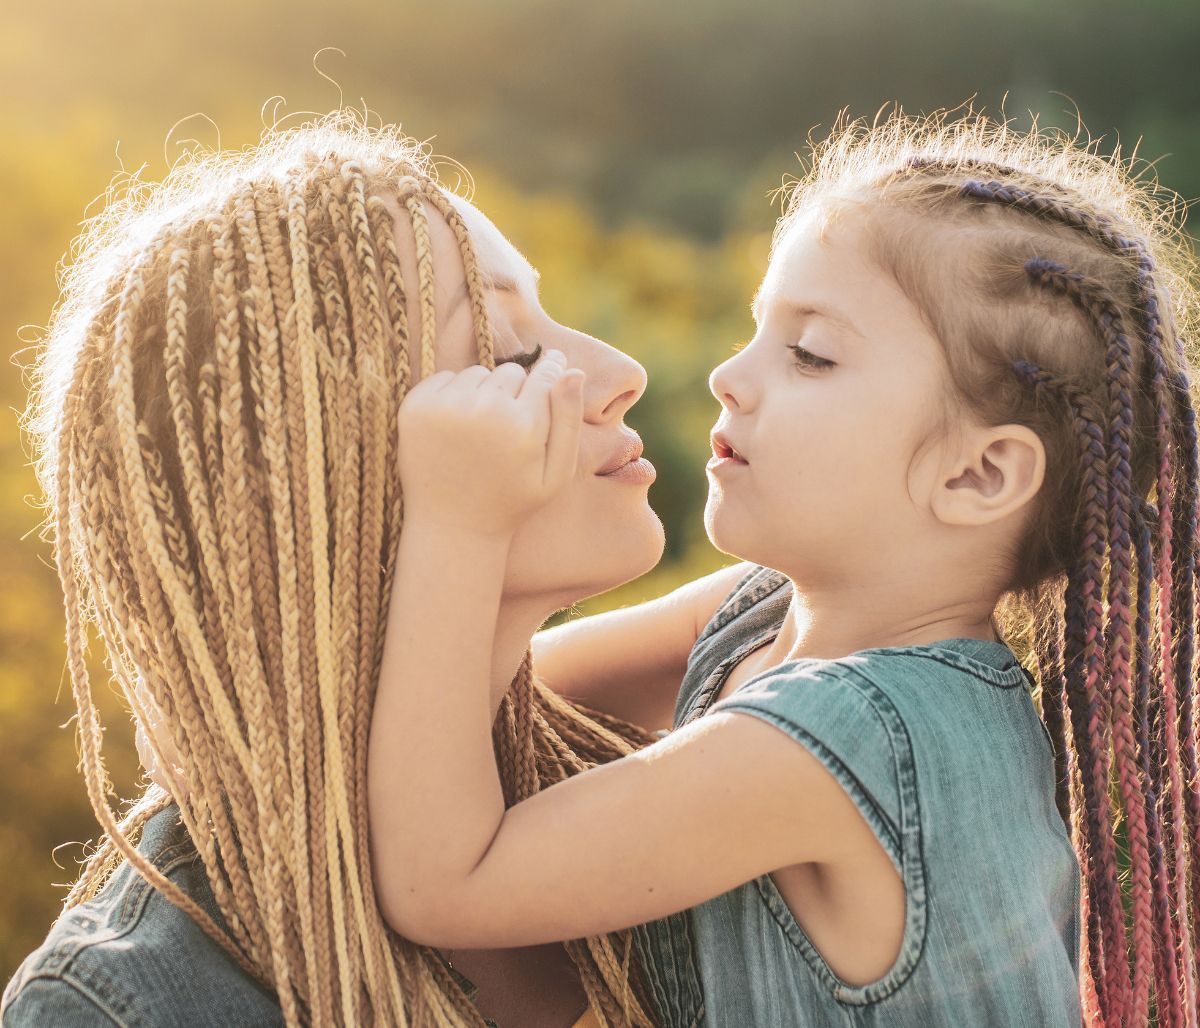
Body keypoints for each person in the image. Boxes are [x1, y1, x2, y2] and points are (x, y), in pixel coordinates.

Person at [367, 109, 1200, 1026]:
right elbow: (508, 708)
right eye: (757, 329)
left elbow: (446, 880)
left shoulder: (841, 736)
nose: (729, 374)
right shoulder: (764, 611)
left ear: (976, 473)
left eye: (810, 355)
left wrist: (459, 521)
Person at [1, 112, 720, 1027]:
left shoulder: (655, 776)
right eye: (508, 354)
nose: (619, 371)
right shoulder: (131, 1006)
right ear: (317, 470)